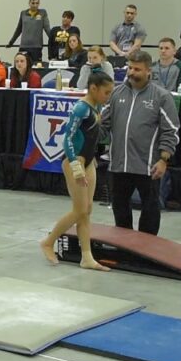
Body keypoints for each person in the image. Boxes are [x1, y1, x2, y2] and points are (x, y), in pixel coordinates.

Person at [40, 71, 115, 271]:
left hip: (89, 161)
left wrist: (90, 162)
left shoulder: (96, 106)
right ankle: (48, 242)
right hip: (75, 162)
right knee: (79, 210)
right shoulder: (81, 108)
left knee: (87, 210)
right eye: (106, 92)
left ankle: (86, 257)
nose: (108, 96)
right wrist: (76, 167)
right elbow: (67, 139)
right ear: (93, 88)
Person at [101, 50, 180, 235]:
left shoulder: (162, 96)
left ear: (148, 71)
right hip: (119, 165)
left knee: (150, 209)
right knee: (120, 208)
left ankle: (147, 251)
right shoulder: (116, 93)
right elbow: (103, 125)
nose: (131, 72)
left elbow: (171, 131)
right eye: (129, 68)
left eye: (137, 69)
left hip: (148, 166)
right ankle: (124, 245)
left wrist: (163, 160)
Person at [7, 0, 50, 65]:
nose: (35, 5)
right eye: (33, 3)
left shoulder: (43, 13)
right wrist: (11, 42)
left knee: (36, 66)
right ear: (29, 3)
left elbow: (47, 28)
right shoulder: (23, 13)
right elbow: (19, 29)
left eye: (37, 3)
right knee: (21, 65)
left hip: (36, 46)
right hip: (24, 46)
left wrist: (53, 41)